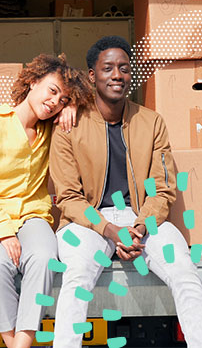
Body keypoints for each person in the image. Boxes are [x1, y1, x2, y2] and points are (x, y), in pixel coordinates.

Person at [49, 36, 202, 348]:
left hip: (141, 219)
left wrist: (139, 226)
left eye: (124, 68)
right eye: (108, 68)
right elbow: (67, 197)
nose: (116, 75)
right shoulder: (70, 124)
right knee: (77, 277)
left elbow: (162, 189)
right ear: (92, 75)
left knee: (186, 272)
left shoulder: (151, 122)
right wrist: (109, 229)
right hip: (86, 223)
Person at [0, 53, 92, 348]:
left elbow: (99, 105)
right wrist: (4, 232)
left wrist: (73, 105)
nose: (55, 102)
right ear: (32, 82)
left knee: (45, 259)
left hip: (33, 216)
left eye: (62, 99)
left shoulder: (52, 129)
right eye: (52, 91)